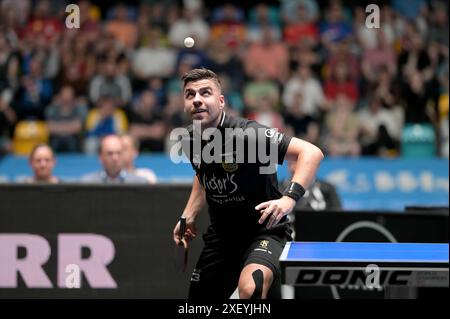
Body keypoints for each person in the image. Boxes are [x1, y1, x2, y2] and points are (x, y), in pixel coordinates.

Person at [172, 68, 323, 299]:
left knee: (251, 288)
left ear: (221, 101)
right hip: (221, 238)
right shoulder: (190, 138)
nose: (197, 100)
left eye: (205, 93)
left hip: (263, 232)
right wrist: (188, 214)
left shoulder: (248, 135)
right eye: (190, 95)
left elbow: (311, 153)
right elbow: (203, 175)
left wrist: (288, 198)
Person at [81, 134, 148, 184]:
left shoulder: (139, 183)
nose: (115, 158)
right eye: (110, 153)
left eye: (119, 153)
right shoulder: (88, 182)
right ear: (101, 157)